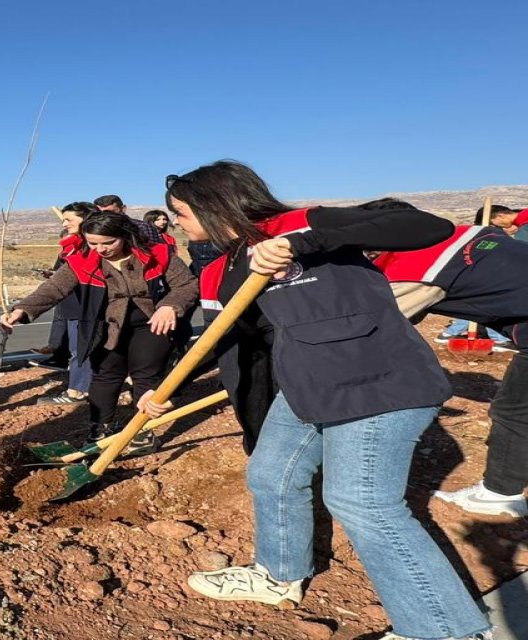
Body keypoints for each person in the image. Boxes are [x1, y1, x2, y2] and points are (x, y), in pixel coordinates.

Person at [152, 160, 490, 640]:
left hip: (376, 382)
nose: (177, 224)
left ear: (213, 205)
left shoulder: (305, 223)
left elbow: (427, 227)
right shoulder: (227, 266)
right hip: (307, 386)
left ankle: (442, 630)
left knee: (361, 502)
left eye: (181, 213)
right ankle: (278, 575)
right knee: (271, 474)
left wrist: (300, 244)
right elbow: (228, 341)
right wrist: (166, 389)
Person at [360, 198, 528, 518]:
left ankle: (499, 494)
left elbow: (376, 327)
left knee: (514, 410)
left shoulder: (416, 269)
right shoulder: (468, 233)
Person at [1, 212, 198, 447]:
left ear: (125, 236)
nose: (100, 249)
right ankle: (100, 429)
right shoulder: (82, 260)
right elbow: (53, 288)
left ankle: (141, 431)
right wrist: (21, 310)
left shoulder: (158, 254)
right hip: (105, 327)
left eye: (108, 242)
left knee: (146, 376)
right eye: (93, 243)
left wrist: (170, 306)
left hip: (152, 325)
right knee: (105, 375)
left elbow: (187, 285)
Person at [35, 202, 99, 406]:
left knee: (81, 349)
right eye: (63, 220)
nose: (64, 224)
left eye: (69, 220)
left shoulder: (94, 247)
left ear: (85, 219)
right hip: (73, 302)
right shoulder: (71, 247)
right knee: (77, 348)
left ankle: (78, 390)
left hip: (89, 304)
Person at [434, 204, 522, 346]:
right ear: (499, 217)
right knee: (486, 306)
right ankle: (497, 339)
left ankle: (450, 333)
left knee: (481, 307)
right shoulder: (486, 236)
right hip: (482, 277)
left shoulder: (489, 234)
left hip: (484, 276)